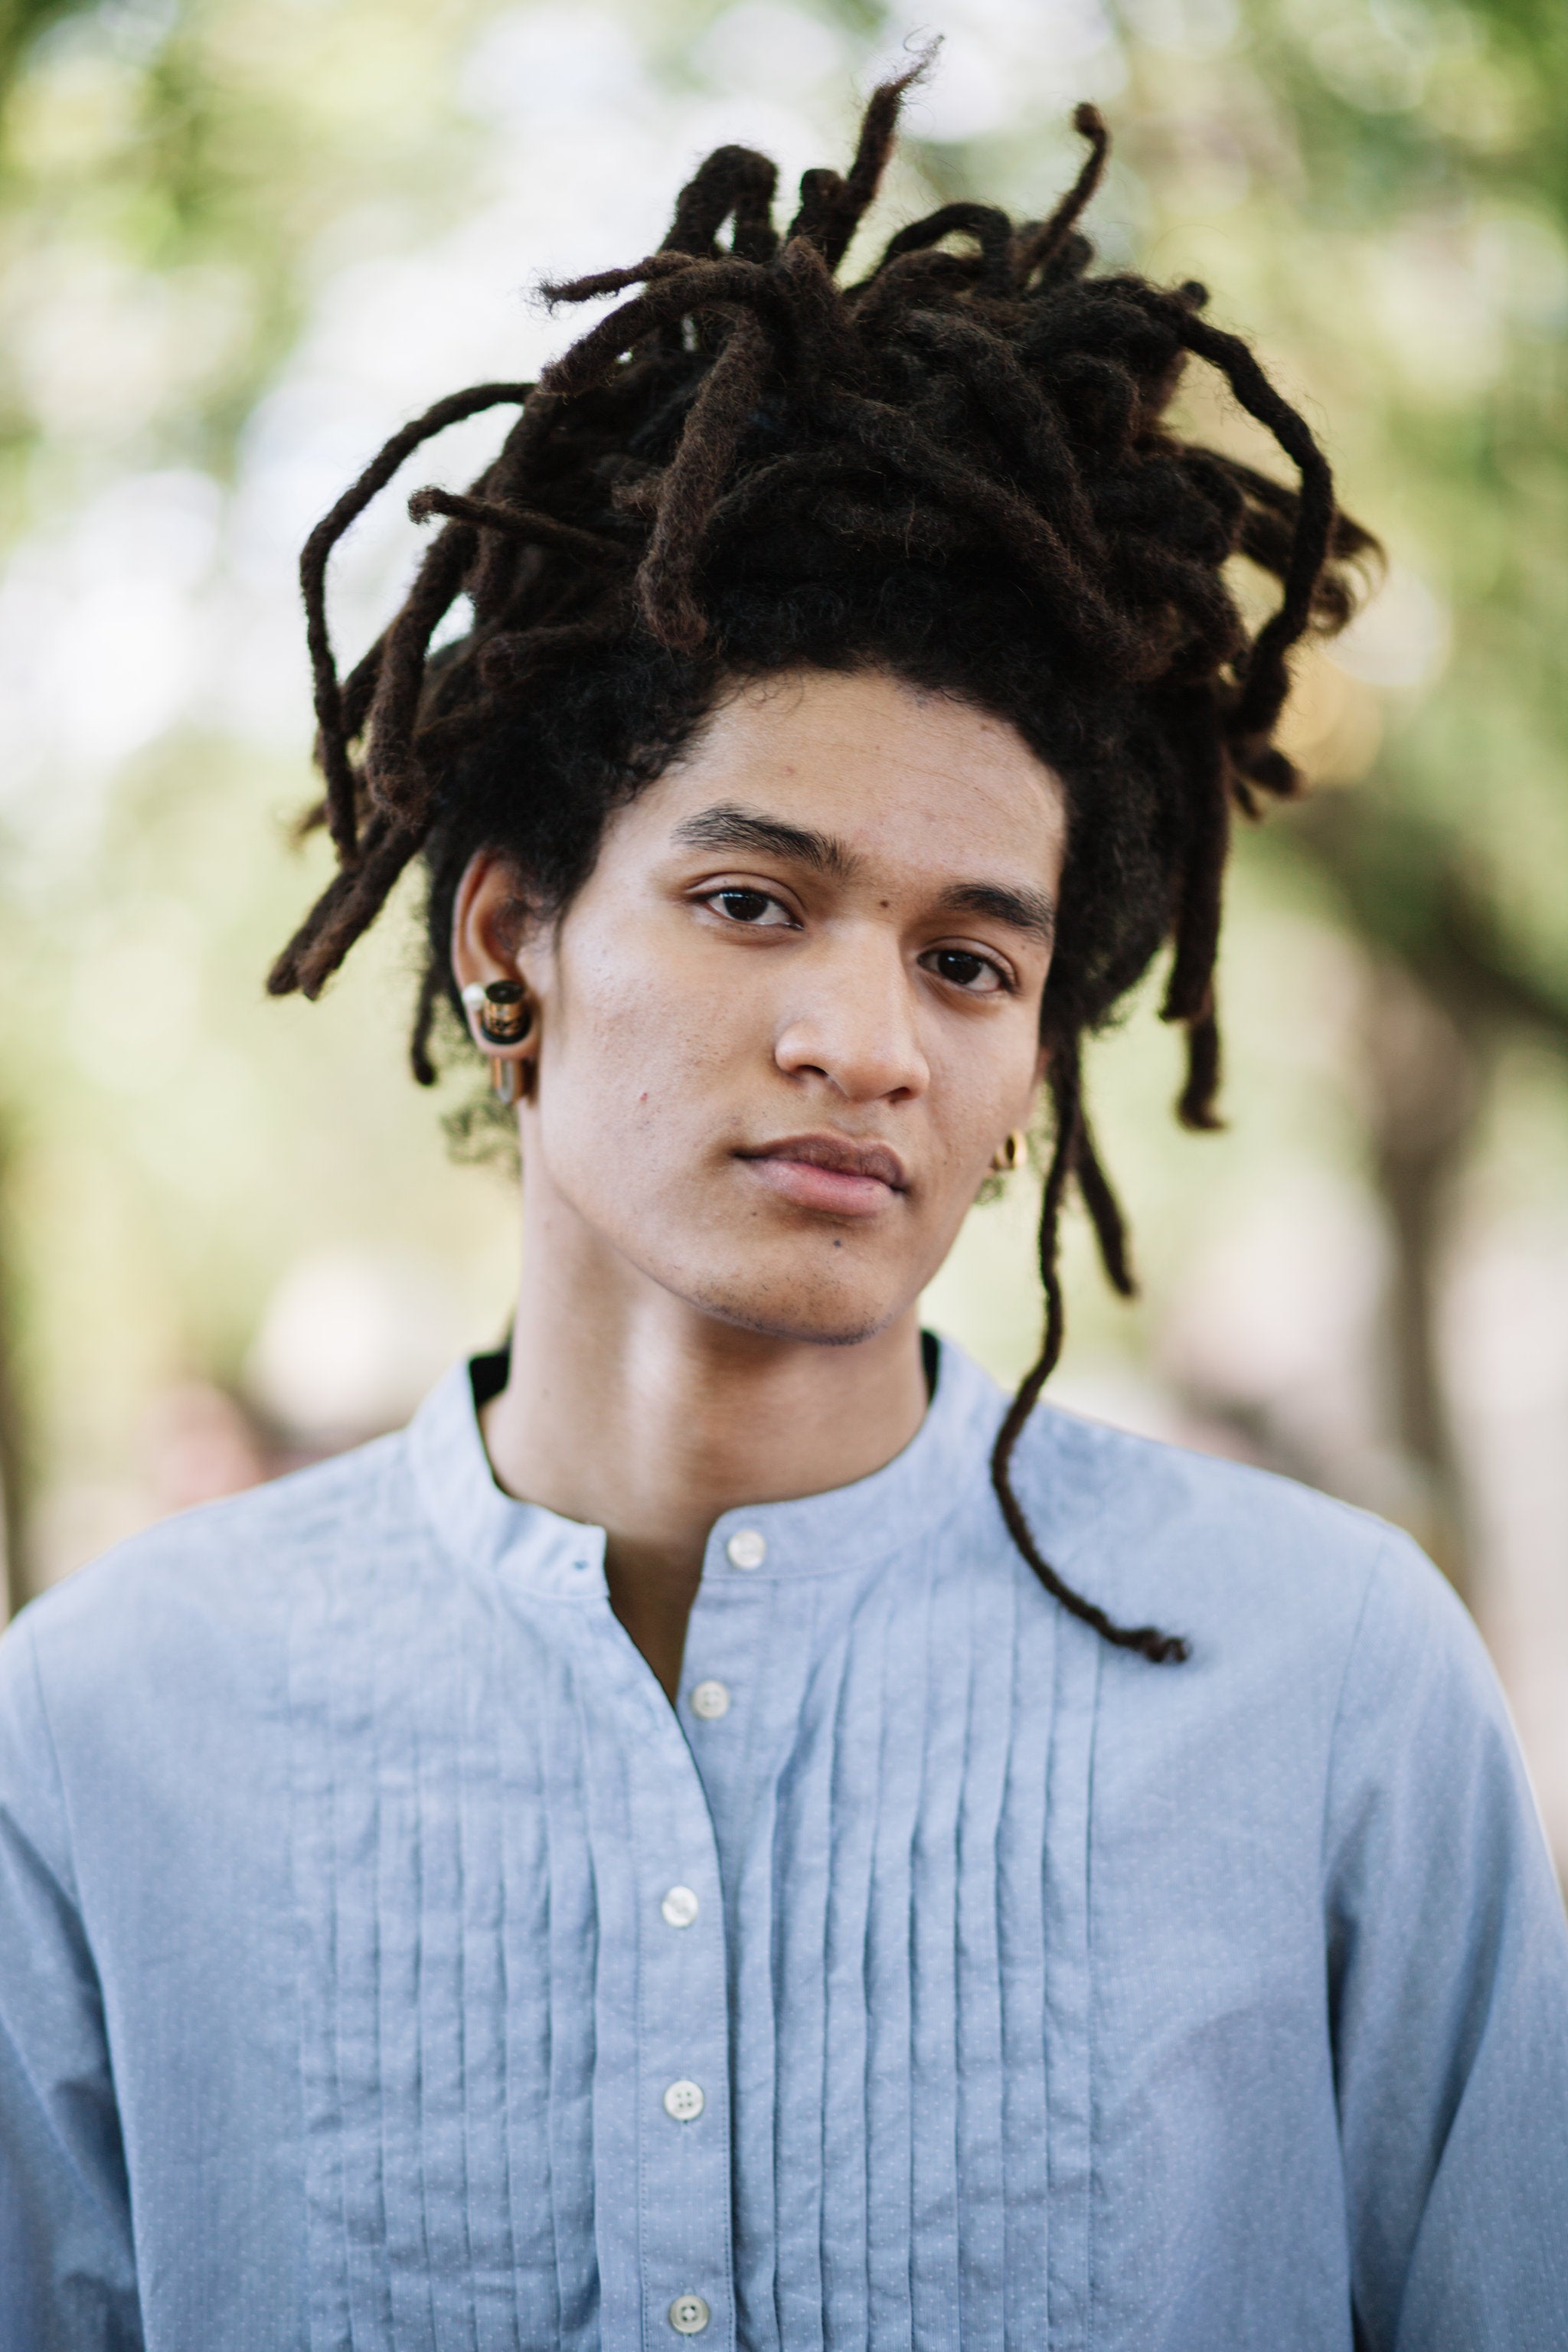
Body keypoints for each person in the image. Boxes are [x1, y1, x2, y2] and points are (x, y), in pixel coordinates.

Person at [2, 64, 1564, 2352]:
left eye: (970, 958)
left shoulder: (1331, 1694)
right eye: (754, 899)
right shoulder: (106, 1737)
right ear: (509, 939)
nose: (871, 1038)